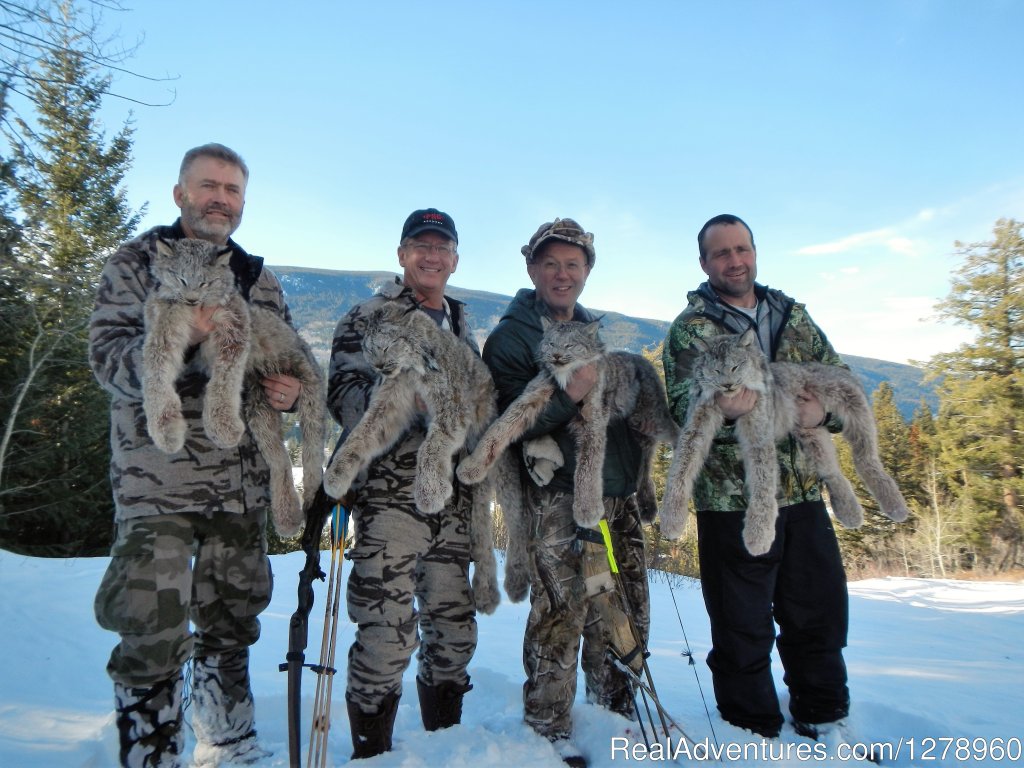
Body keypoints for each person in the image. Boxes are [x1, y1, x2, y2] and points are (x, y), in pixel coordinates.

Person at [89, 143, 302, 768]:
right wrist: (190, 338)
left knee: (232, 619)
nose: (220, 198)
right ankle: (152, 753)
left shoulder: (257, 277)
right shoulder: (136, 265)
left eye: (232, 190)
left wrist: (286, 393)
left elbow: (278, 359)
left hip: (239, 480)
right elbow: (109, 363)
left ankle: (230, 742)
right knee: (151, 624)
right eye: (208, 185)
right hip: (160, 479)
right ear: (180, 192)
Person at [662, 213, 851, 742]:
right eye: (721, 253)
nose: (734, 260)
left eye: (741, 248)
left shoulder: (793, 315)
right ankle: (752, 730)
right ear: (704, 263)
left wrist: (823, 417)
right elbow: (680, 408)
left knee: (818, 613)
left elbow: (840, 380)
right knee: (741, 624)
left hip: (803, 491)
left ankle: (826, 714)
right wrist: (722, 409)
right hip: (730, 500)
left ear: (754, 252)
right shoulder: (691, 329)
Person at [481, 218, 649, 768]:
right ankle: (548, 727)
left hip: (613, 492)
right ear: (531, 268)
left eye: (573, 264)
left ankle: (615, 712)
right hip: (555, 497)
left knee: (622, 602)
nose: (561, 274)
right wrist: (568, 396)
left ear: (586, 272)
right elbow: (509, 420)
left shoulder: (587, 329)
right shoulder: (511, 337)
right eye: (550, 263)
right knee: (562, 607)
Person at [327, 208, 482, 759]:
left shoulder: (462, 323)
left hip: (453, 503)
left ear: (455, 259)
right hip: (391, 497)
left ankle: (444, 747)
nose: (432, 256)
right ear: (401, 254)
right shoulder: (369, 315)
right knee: (386, 633)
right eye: (421, 245)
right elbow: (342, 393)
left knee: (454, 631)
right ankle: (372, 752)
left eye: (442, 248)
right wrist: (400, 403)